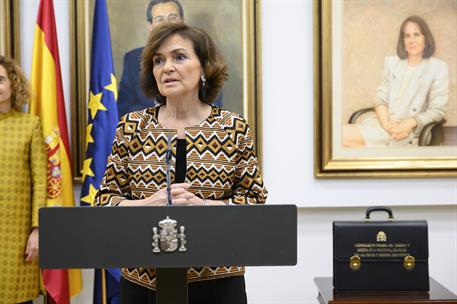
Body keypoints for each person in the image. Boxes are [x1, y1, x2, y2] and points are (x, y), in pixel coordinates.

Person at [94, 22, 267, 303]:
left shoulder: (233, 127)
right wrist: (151, 204)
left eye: (179, 57)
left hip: (218, 283)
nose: (167, 67)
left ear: (205, 68)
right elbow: (105, 201)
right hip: (143, 283)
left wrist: (204, 207)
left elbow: (254, 201)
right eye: (158, 60)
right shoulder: (132, 127)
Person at [343, 15, 449, 147]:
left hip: (409, 131)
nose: (411, 40)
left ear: (426, 39)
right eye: (407, 36)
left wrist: (409, 123)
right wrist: (387, 125)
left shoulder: (437, 67)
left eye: (416, 34)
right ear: (402, 40)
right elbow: (380, 99)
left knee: (337, 139)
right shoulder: (391, 62)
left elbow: (437, 110)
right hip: (383, 124)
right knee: (335, 135)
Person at [0, 56, 47, 304]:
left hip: (17, 237)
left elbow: (41, 182)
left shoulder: (30, 125)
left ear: (13, 84)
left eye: (0, 80)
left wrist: (37, 230)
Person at [117, 0, 184, 118]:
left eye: (173, 17)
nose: (167, 24)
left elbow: (212, 101)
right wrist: (159, 114)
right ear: (150, 25)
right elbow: (124, 106)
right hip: (147, 130)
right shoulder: (132, 59)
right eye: (160, 19)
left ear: (182, 22)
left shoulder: (200, 55)